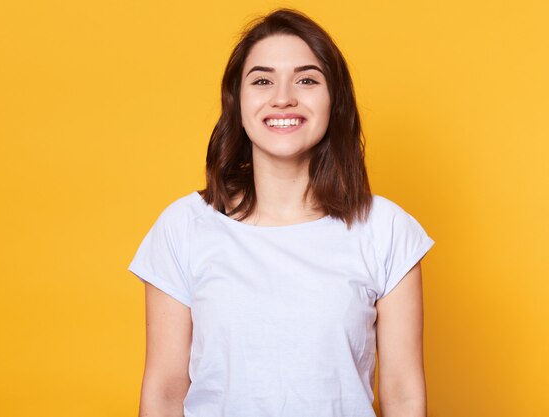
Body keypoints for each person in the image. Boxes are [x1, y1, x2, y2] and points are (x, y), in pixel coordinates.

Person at [129, 8, 435, 417]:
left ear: (334, 101)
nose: (283, 97)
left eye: (307, 79)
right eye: (262, 80)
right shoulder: (183, 227)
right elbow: (165, 393)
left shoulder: (386, 229)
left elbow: (402, 396)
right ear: (237, 102)